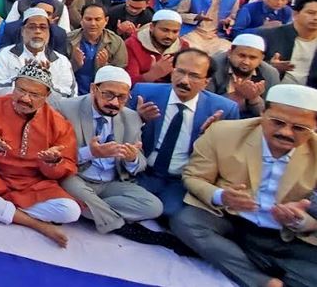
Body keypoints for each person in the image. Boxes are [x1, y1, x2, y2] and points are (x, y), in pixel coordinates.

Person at [172, 84, 317, 287]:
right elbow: (193, 176)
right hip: (230, 220)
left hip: (287, 236)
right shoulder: (224, 133)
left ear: (314, 128)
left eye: (299, 128)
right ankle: (262, 281)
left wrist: (304, 221)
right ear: (263, 113)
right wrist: (222, 196)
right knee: (187, 221)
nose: (285, 132)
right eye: (277, 122)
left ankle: (248, 262)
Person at [0, 62, 81, 247]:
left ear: (47, 96)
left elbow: (67, 167)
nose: (25, 98)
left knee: (71, 212)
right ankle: (37, 224)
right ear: (14, 86)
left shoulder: (59, 123)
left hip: (32, 184)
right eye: (21, 90)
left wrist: (53, 162)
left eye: (34, 95)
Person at [53, 66, 164, 243]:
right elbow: (54, 153)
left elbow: (140, 161)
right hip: (76, 176)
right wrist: (90, 152)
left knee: (153, 207)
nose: (114, 102)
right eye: (108, 94)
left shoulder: (132, 118)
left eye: (122, 97)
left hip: (109, 183)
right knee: (71, 187)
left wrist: (132, 158)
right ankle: (121, 227)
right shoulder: (65, 108)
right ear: (93, 89)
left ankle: (90, 210)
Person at [131, 48, 241, 217]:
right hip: (142, 172)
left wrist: (213, 136)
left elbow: (229, 157)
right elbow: (119, 131)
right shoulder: (144, 94)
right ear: (172, 72)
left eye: (194, 76)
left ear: (206, 81)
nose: (184, 81)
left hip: (181, 180)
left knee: (170, 213)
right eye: (180, 72)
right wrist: (138, 118)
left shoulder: (224, 109)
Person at [0, 8, 76, 98]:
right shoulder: (5, 54)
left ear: (49, 32)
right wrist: (23, 76)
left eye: (43, 27)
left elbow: (69, 96)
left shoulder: (61, 61)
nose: (37, 31)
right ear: (22, 31)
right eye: (32, 27)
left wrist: (45, 81)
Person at [208, 34, 280, 119]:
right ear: (229, 53)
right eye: (242, 56)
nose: (246, 62)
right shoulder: (212, 66)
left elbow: (270, 114)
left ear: (261, 58)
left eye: (252, 58)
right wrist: (237, 95)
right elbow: (206, 107)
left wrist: (254, 99)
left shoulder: (270, 74)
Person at [175, 0, 239, 55]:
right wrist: (196, 17)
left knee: (225, 52)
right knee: (192, 52)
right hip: (194, 33)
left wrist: (228, 23)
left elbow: (233, 19)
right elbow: (178, 15)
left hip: (217, 36)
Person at [258, 0, 317, 87]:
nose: (315, 18)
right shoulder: (268, 35)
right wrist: (270, 67)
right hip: (275, 89)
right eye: (311, 13)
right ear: (295, 14)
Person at [69, 3, 129, 95]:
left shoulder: (116, 42)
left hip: (103, 95)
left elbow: (120, 76)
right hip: (72, 92)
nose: (93, 23)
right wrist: (75, 63)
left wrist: (104, 67)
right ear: (81, 20)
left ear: (106, 20)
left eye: (97, 19)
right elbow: (59, 72)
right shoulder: (68, 39)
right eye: (88, 19)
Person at [126, 9, 188, 84]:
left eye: (175, 31)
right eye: (165, 30)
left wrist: (175, 75)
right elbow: (127, 83)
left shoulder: (183, 46)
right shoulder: (132, 44)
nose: (169, 36)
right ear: (152, 27)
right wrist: (153, 74)